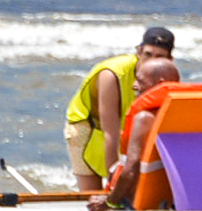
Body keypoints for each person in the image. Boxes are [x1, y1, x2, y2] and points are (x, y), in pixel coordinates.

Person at [65, 26, 175, 190]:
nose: (151, 61)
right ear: (139, 52)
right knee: (93, 191)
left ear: (169, 59)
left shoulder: (165, 75)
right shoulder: (112, 74)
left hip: (123, 125)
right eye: (147, 54)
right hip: (86, 125)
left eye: (159, 56)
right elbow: (111, 131)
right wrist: (113, 178)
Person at [85, 59, 200, 211]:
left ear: (160, 83)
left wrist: (109, 202)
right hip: (167, 200)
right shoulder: (184, 114)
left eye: (140, 80)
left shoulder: (144, 118)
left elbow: (131, 170)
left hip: (135, 203)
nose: (134, 85)